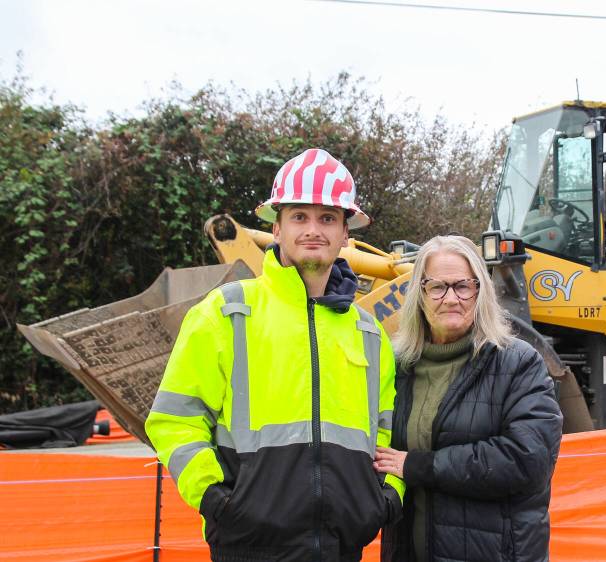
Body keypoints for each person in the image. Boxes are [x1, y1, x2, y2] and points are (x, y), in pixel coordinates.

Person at [145, 148, 404, 562]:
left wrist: (385, 500)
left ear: (344, 235)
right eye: (299, 217)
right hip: (246, 544)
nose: (313, 230)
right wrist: (216, 500)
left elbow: (389, 432)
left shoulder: (368, 333)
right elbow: (174, 421)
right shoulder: (225, 313)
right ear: (277, 228)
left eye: (327, 218)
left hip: (342, 547)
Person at [374, 235, 563, 562]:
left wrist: (419, 466)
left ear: (480, 292)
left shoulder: (517, 363)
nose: (450, 299)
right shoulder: (398, 366)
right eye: (437, 287)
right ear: (419, 295)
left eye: (462, 286)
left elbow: (527, 460)